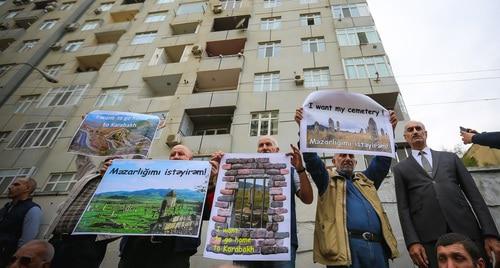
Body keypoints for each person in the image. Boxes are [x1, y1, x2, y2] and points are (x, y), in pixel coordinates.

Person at [296, 108, 399, 268]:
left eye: (351, 156)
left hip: (378, 250)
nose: (347, 159)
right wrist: (303, 128)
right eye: (342, 156)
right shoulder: (326, 180)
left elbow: (383, 161)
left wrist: (389, 130)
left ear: (356, 163)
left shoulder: (366, 181)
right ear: (334, 161)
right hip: (346, 252)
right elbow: (311, 158)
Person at [393, 121, 499, 268]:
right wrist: (412, 242)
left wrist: (490, 234)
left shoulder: (450, 158)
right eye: (410, 130)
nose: (415, 131)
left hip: (467, 231)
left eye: (419, 128)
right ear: (406, 137)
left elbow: (474, 196)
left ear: (426, 133)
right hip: (429, 239)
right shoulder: (400, 169)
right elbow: (403, 209)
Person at [210, 135, 314, 268]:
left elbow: (308, 199)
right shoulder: (242, 171)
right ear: (257, 151)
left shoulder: (291, 170)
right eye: (261, 145)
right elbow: (226, 195)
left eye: (268, 144)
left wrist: (300, 169)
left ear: (277, 150)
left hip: (281, 243)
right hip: (246, 242)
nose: (264, 148)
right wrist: (220, 167)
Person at [119, 144, 218, 268]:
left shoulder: (199, 185)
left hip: (173, 254)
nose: (175, 157)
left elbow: (208, 213)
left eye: (181, 154)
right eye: (172, 154)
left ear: (191, 160)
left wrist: (209, 183)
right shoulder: (150, 178)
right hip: (134, 249)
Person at [44, 155, 121, 268]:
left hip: (87, 244)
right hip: (57, 239)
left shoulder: (121, 185)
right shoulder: (88, 176)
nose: (110, 163)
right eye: (108, 161)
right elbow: (83, 156)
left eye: (115, 162)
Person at [0, 177, 42, 267]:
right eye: (12, 184)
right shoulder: (6, 207)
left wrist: (14, 262)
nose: (10, 187)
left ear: (28, 188)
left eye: (16, 184)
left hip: (6, 258)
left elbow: (26, 241)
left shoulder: (33, 209)